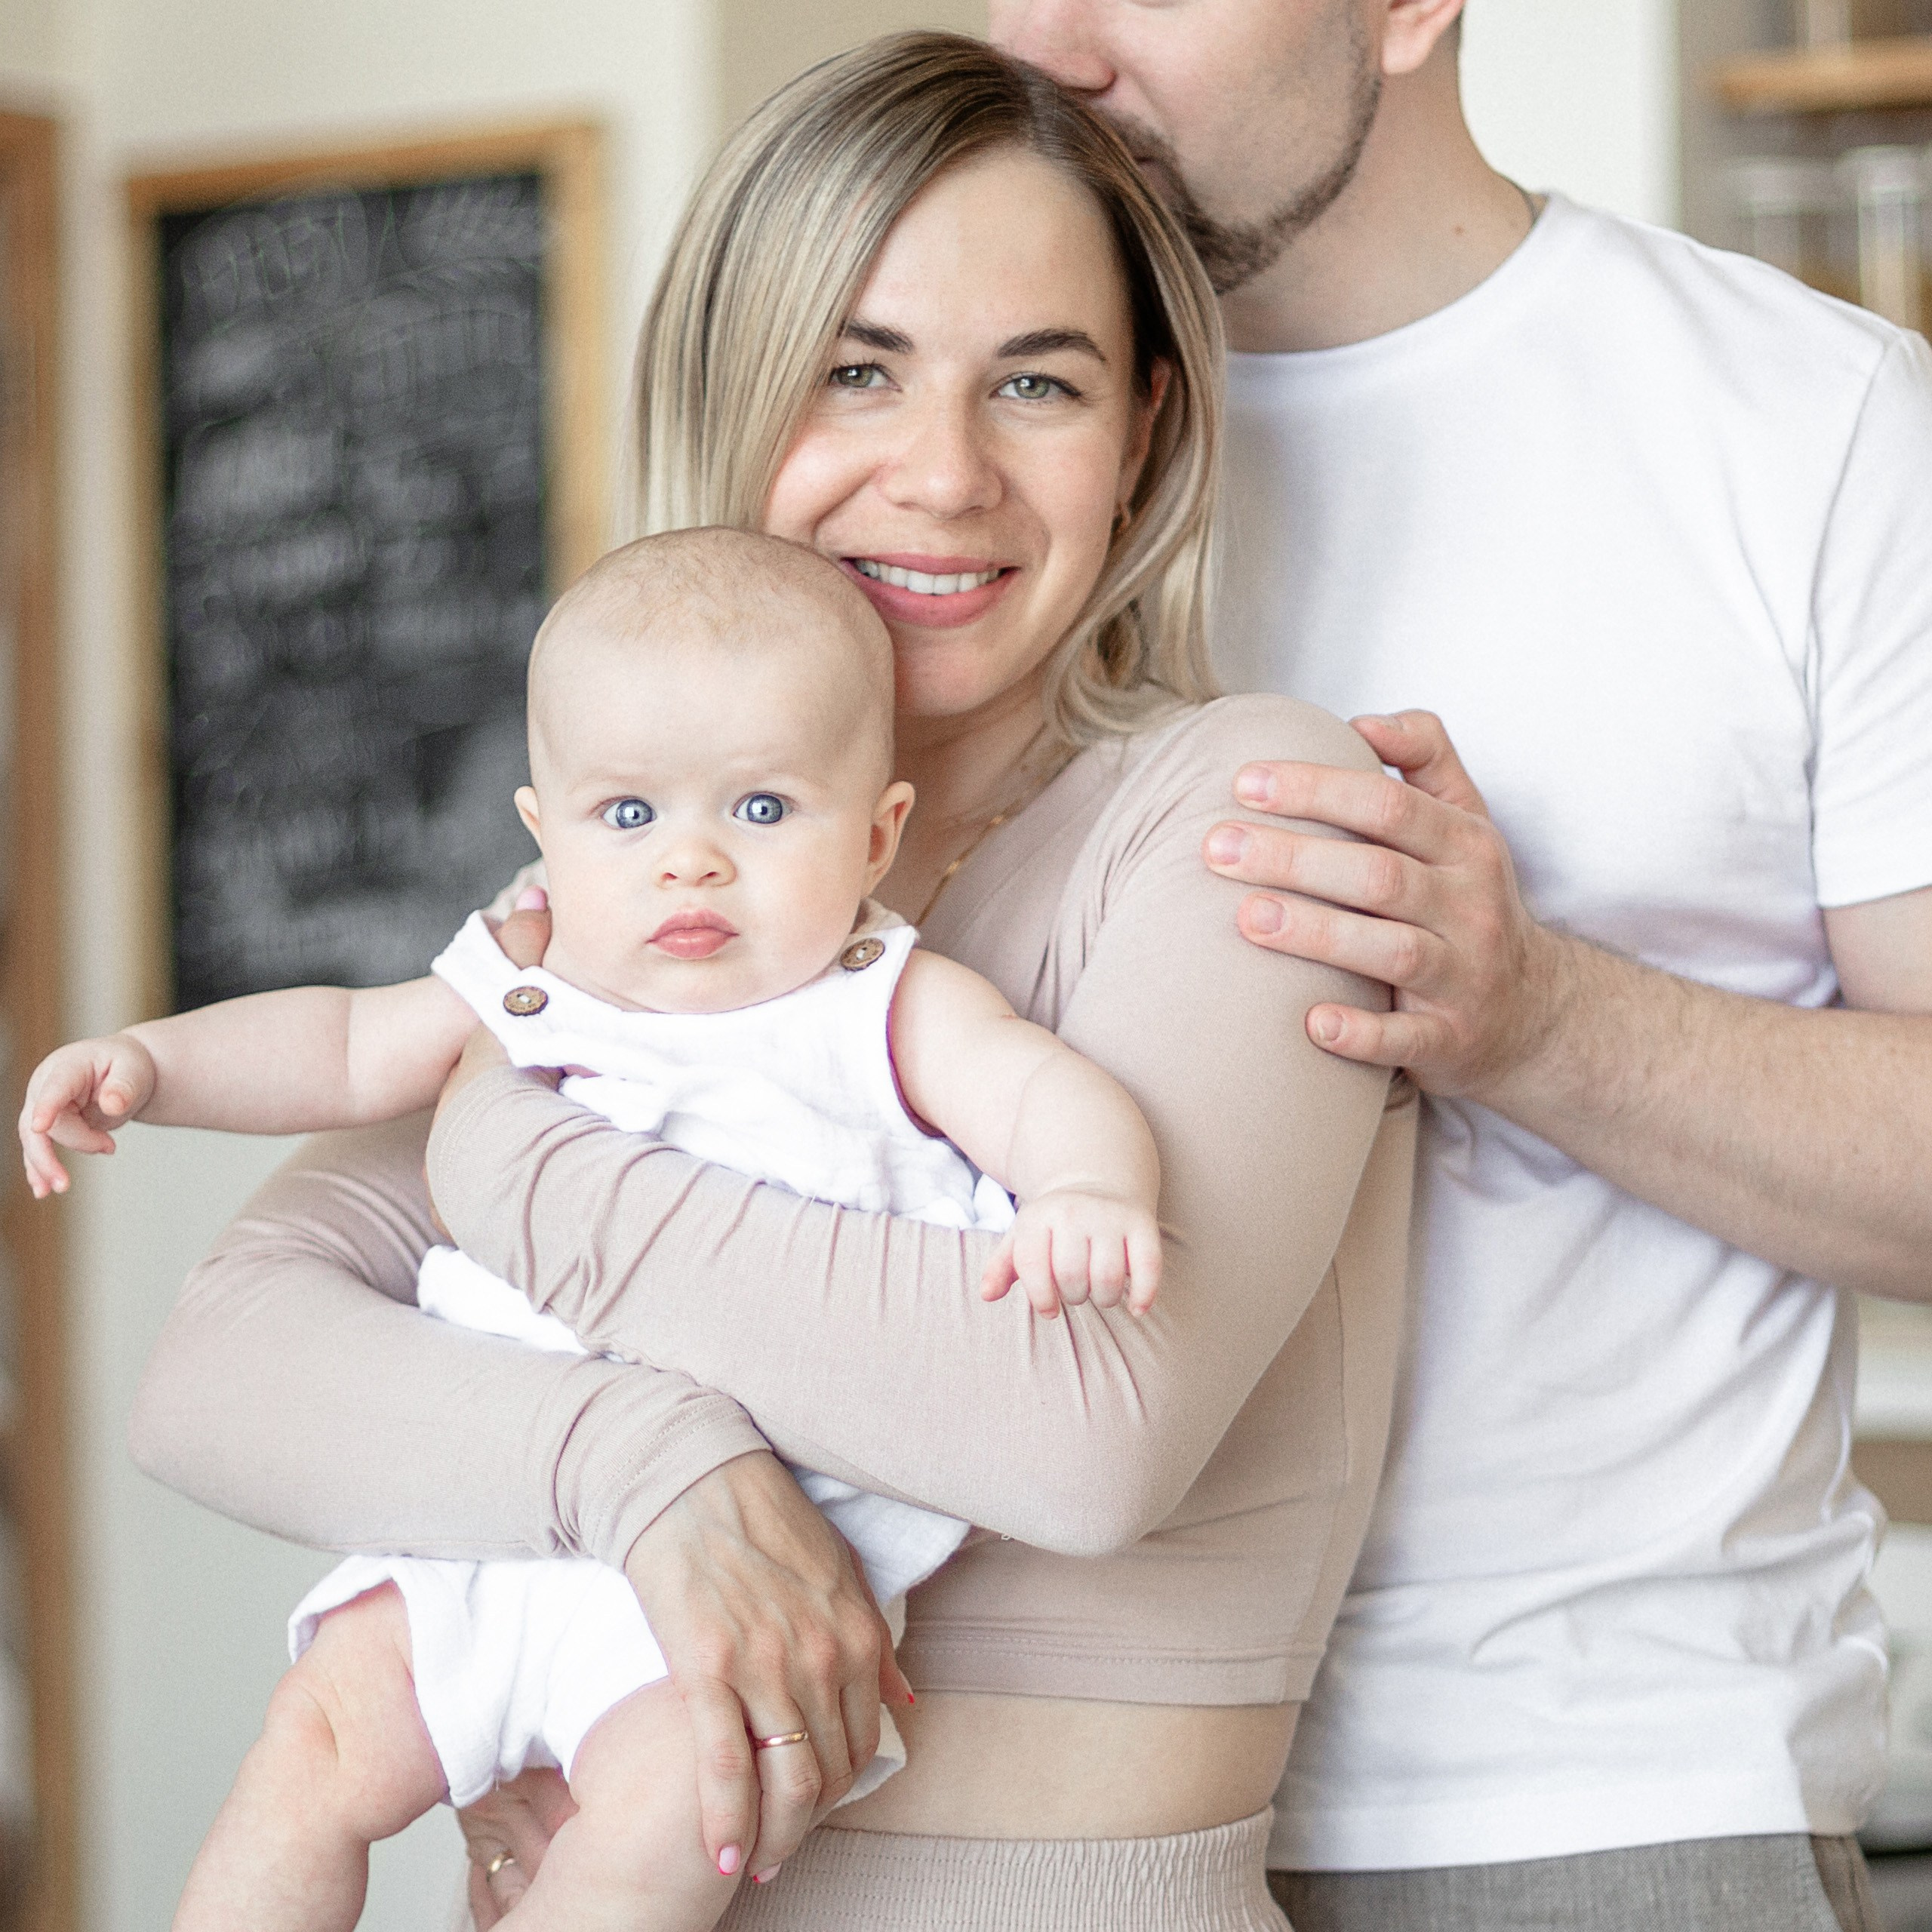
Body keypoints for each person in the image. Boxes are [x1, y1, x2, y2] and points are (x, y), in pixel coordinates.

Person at [128, 36, 1418, 1930]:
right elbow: (219, 1369)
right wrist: (644, 1471)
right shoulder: (648, 879)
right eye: (855, 368)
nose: (944, 472)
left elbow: (1080, 1424)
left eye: (1036, 382)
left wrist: (511, 1158)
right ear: (736, 389)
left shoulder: (1234, 807)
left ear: (1141, 428)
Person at [987, 2, 1932, 1927]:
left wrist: (1536, 1013)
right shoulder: (956, 458)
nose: (1042, 45)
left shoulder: (1816, 428)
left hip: (1593, 1799)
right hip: (1018, 1793)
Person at [28, 528, 1170, 1931]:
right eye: (628, 816)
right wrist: (151, 1067)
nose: (690, 864)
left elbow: (1044, 1091)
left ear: (876, 831)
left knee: (664, 1831)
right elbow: (336, 1045)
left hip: (719, 1601)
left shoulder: (881, 1004)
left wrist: (1088, 1194)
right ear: (544, 834)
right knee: (310, 1752)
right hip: (491, 1517)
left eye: (761, 812)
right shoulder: (526, 984)